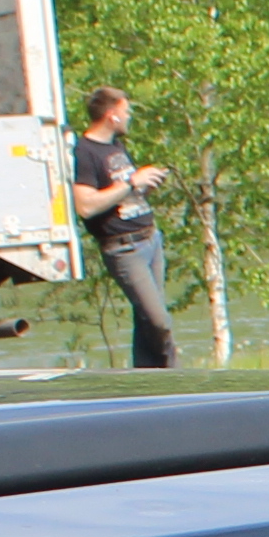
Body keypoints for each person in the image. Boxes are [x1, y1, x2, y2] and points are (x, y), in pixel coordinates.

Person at [67, 87, 175, 369]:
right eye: (126, 111)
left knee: (146, 321)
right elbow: (87, 206)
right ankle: (177, 378)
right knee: (159, 321)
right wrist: (130, 183)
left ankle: (147, 382)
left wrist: (146, 185)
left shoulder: (117, 146)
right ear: (112, 115)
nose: (129, 117)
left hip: (150, 239)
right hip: (124, 248)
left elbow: (122, 194)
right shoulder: (85, 152)